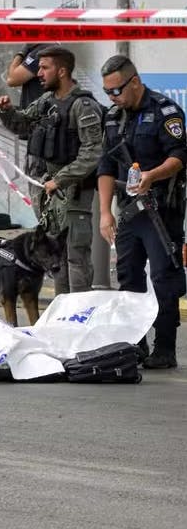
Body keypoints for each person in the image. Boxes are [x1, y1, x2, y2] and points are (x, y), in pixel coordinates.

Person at [97, 55, 187, 369]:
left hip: (161, 209)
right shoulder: (112, 117)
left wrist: (152, 176)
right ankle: (135, 345)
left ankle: (164, 347)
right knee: (129, 277)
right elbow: (106, 165)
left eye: (116, 90)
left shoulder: (165, 111)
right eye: (107, 92)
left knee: (164, 277)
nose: (112, 97)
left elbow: (179, 156)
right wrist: (105, 213)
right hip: (129, 212)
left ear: (134, 82)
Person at [0, 46, 104, 295]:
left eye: (44, 68)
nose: (39, 73)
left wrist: (61, 180)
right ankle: (62, 315)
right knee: (57, 257)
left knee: (76, 256)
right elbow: (22, 122)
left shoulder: (83, 106)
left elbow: (92, 153)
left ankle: (79, 316)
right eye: (38, 68)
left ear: (62, 71)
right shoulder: (47, 101)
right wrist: (5, 110)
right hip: (53, 193)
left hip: (74, 193)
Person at [5, 43, 53, 215]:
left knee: (39, 191)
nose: (40, 73)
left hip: (42, 135)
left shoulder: (40, 50)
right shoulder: (47, 48)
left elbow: (12, 78)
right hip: (38, 132)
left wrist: (22, 51)